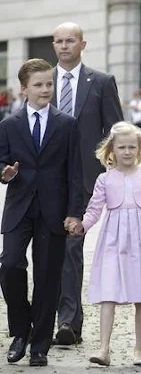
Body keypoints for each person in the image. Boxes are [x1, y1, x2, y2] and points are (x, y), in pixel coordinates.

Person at [67, 122, 141, 367]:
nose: (127, 151)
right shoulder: (104, 179)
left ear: (139, 149)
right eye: (122, 147)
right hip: (113, 241)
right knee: (108, 293)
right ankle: (104, 348)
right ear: (112, 150)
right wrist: (82, 225)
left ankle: (139, 348)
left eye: (132, 147)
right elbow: (95, 209)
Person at [0, 58, 83, 366]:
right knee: (9, 266)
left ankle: (39, 345)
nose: (45, 89)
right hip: (19, 207)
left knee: (48, 277)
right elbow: (1, 161)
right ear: (24, 89)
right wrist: (5, 173)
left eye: (49, 83)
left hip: (54, 210)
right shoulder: (9, 125)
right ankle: (21, 331)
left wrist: (75, 212)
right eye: (38, 84)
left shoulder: (67, 124)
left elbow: (75, 172)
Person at [51, 21, 124, 346]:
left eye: (70, 41)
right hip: (46, 180)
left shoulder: (102, 82)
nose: (64, 46)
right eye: (58, 41)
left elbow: (115, 131)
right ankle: (44, 321)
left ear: (82, 44)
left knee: (70, 247)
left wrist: (114, 171)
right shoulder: (42, 80)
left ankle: (67, 322)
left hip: (83, 181)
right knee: (46, 251)